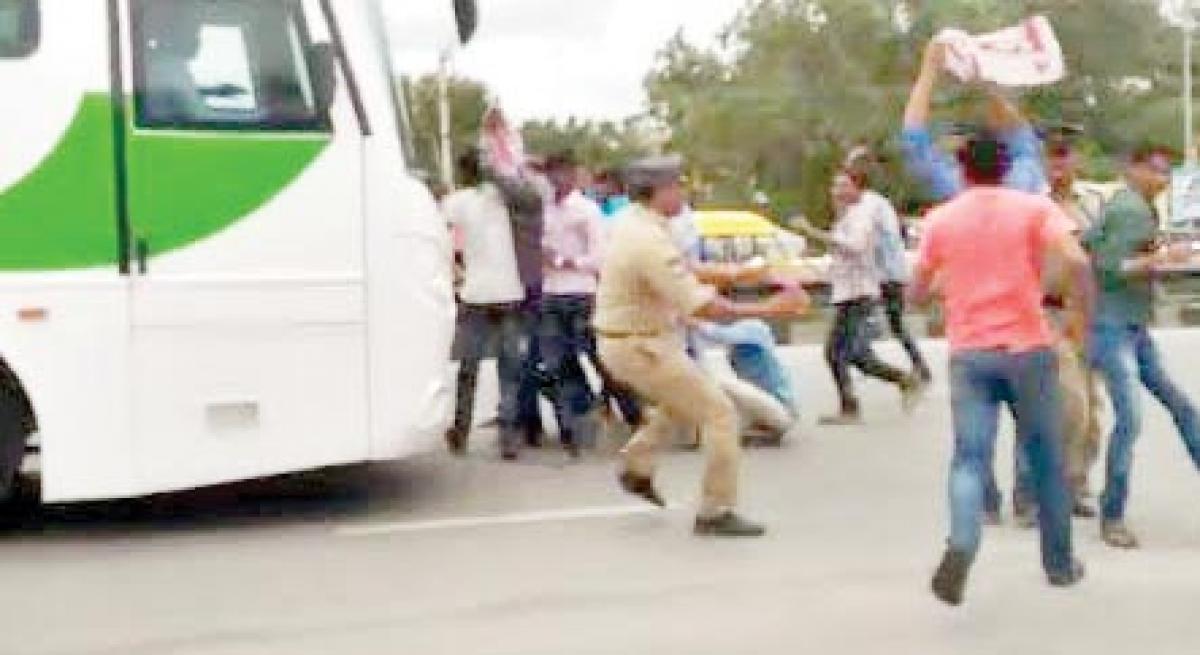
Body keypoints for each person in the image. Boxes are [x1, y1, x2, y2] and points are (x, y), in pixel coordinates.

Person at [912, 133, 1090, 606]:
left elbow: (917, 290)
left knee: (970, 457)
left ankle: (964, 540)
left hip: (971, 352)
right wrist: (1078, 319)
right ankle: (1059, 564)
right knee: (1046, 459)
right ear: (1008, 167)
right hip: (1029, 348)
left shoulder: (941, 219)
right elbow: (1076, 259)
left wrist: (949, 284)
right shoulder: (1033, 209)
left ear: (963, 169)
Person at [595, 155, 809, 538]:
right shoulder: (647, 240)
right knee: (720, 414)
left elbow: (684, 271)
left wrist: (744, 273)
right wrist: (770, 308)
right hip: (640, 345)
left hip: (640, 340)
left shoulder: (637, 223)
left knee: (681, 404)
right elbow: (703, 305)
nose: (683, 191)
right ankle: (716, 510)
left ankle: (636, 466)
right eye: (676, 184)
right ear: (658, 191)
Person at [1085, 145, 1200, 549]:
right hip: (1113, 326)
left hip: (1127, 324)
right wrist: (1165, 258)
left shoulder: (1129, 206)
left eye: (1167, 173)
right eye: (1156, 172)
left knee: (1180, 406)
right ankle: (1112, 513)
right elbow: (1114, 267)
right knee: (1132, 418)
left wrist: (1159, 258)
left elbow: (1089, 248)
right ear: (1132, 169)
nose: (1163, 180)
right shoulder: (1130, 210)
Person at [791, 171, 925, 424]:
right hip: (847, 292)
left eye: (843, 185)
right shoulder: (846, 216)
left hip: (860, 292)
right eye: (834, 185)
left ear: (858, 189)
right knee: (848, 354)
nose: (836, 190)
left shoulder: (862, 215)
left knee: (841, 352)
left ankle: (855, 404)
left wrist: (811, 231)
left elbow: (855, 246)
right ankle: (901, 381)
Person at [441, 150, 529, 459]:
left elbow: (439, 225)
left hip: (475, 294)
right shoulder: (510, 199)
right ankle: (509, 437)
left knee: (468, 368)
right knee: (509, 369)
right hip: (510, 292)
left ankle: (460, 432)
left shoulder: (459, 201)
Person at [845, 150, 933, 383]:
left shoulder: (869, 205)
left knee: (873, 321)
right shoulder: (878, 203)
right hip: (893, 272)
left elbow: (864, 242)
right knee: (896, 324)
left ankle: (868, 360)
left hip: (883, 276)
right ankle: (920, 367)